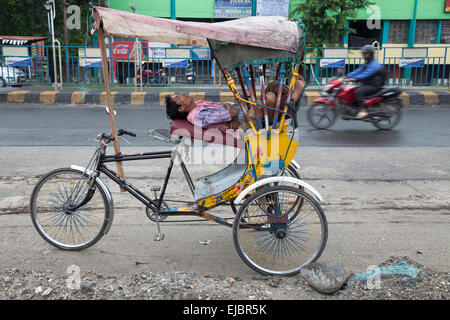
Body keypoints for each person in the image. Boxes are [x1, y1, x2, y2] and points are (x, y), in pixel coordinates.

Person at [344, 45, 386, 119]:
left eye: (365, 53)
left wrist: (354, 79)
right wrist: (347, 76)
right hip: (367, 84)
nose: (363, 55)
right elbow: (358, 71)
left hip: (374, 86)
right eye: (363, 53)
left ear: (370, 54)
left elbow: (366, 74)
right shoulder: (366, 64)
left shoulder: (374, 64)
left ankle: (363, 110)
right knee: (352, 89)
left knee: (358, 92)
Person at [165, 93, 241, 132]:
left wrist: (230, 110)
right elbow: (232, 114)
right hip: (241, 126)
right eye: (178, 97)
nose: (182, 94)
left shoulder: (198, 103)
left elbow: (225, 105)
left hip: (239, 115)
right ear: (181, 108)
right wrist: (233, 115)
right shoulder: (197, 115)